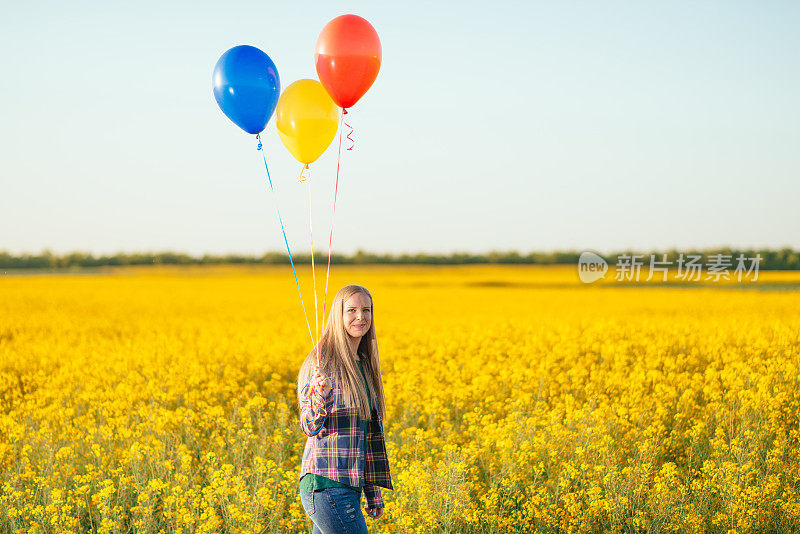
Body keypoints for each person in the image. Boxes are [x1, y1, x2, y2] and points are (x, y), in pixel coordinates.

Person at [297, 284, 394, 534]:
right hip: (326, 485)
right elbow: (309, 426)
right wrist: (322, 397)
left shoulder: (363, 364)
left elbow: (366, 437)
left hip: (348, 487)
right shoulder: (322, 362)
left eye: (366, 310)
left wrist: (373, 493)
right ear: (337, 316)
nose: (360, 316)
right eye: (351, 310)